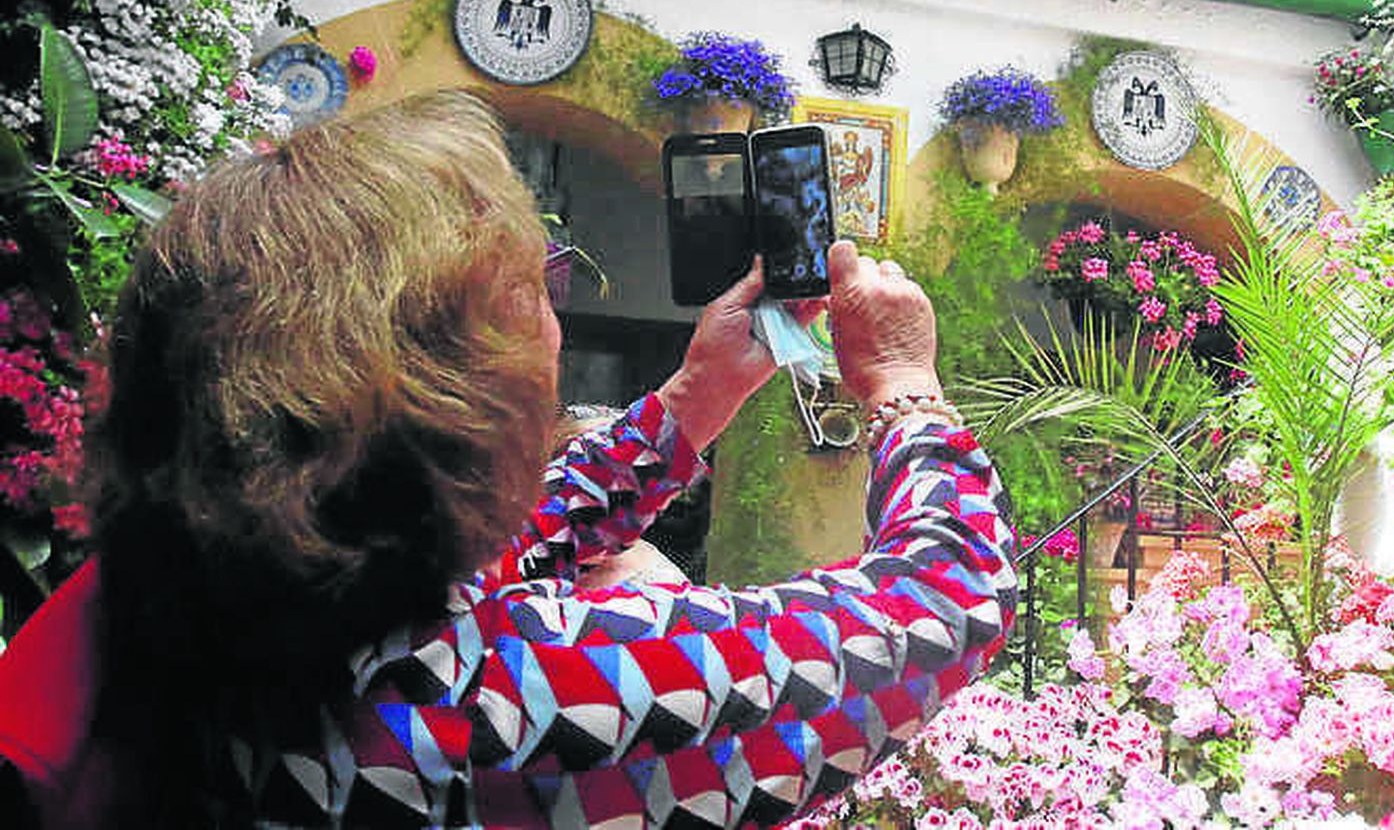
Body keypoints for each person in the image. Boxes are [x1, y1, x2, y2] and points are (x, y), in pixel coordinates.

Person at [0, 90, 1015, 827]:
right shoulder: (503, 701)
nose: (556, 327)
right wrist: (896, 380)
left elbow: (482, 551)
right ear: (449, 386)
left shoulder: (227, 588)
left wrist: (694, 399)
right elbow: (947, 600)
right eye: (538, 289)